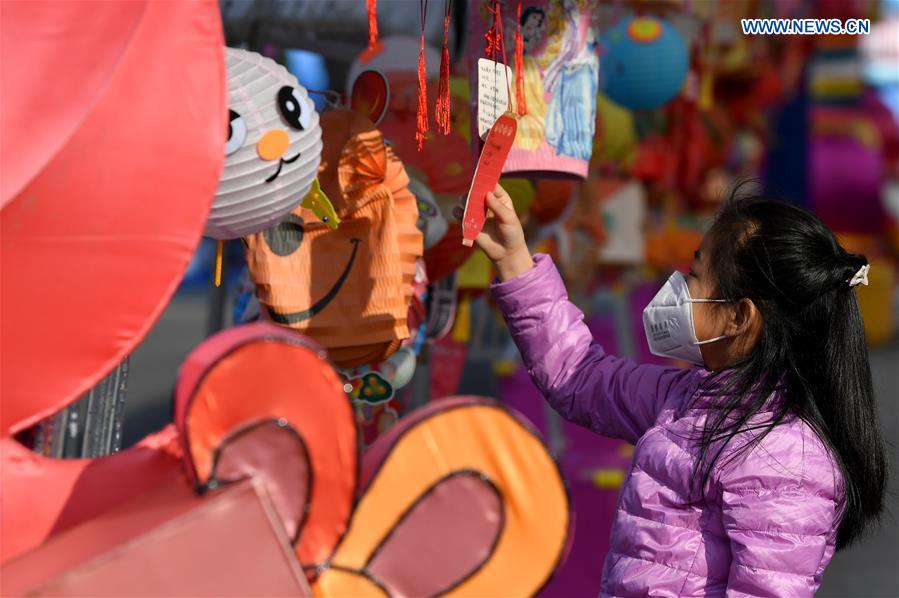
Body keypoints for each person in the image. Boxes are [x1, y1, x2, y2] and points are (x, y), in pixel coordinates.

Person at [462, 184, 887, 596]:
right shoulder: (687, 398)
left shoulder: (786, 458)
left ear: (740, 316)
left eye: (694, 276)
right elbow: (581, 378)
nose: (677, 288)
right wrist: (516, 263)